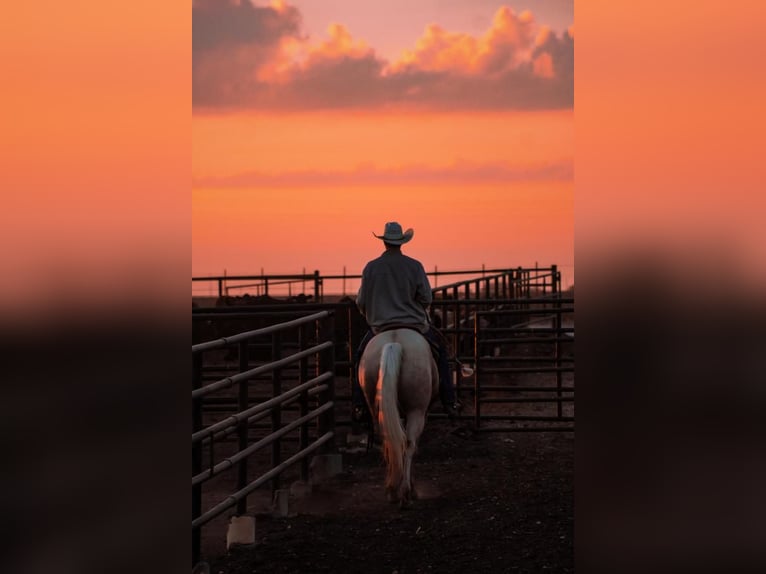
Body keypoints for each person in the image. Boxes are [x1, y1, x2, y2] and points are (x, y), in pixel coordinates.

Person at [352, 221, 460, 423]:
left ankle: (359, 406)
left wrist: (374, 311)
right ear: (402, 242)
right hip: (414, 325)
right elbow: (426, 298)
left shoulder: (371, 268)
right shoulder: (415, 266)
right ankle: (449, 401)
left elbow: (362, 301)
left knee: (360, 356)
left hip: (380, 328)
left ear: (384, 242)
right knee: (441, 353)